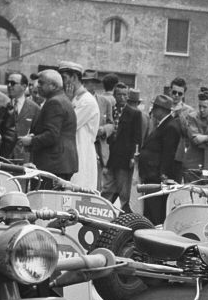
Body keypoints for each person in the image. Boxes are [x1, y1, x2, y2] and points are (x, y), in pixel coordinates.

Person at [16, 69, 78, 180]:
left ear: (53, 86)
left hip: (53, 165)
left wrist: (30, 141)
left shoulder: (55, 102)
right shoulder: (61, 99)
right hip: (59, 164)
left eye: (41, 83)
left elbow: (51, 135)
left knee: (45, 191)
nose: (37, 86)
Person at [138, 94, 187, 222]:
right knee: (150, 208)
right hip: (152, 174)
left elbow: (168, 154)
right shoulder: (163, 124)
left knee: (155, 210)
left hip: (156, 176)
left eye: (155, 107)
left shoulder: (170, 126)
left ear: (162, 110)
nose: (153, 110)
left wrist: (163, 175)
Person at [58, 62, 100, 191]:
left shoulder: (87, 101)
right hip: (69, 154)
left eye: (64, 78)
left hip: (81, 153)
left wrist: (67, 101)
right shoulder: (72, 98)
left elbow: (67, 124)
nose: (61, 82)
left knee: (77, 193)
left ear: (74, 78)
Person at [103, 88, 145, 212]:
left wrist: (133, 157)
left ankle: (125, 213)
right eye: (119, 94)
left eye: (124, 95)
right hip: (111, 156)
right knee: (107, 187)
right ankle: (103, 209)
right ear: (114, 95)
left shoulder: (134, 113)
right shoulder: (111, 110)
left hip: (124, 158)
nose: (122, 97)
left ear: (127, 97)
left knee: (124, 190)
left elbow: (137, 138)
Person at [2, 70, 40, 161]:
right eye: (8, 82)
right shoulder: (2, 103)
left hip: (23, 157)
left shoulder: (34, 108)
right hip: (3, 155)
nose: (9, 86)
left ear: (24, 86)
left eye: (13, 83)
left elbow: (38, 134)